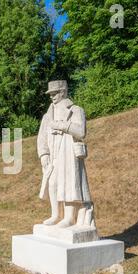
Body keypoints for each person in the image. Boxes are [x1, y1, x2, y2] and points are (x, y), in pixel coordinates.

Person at [37, 80, 95, 228]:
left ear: (63, 92)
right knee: (53, 183)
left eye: (54, 93)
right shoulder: (47, 115)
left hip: (68, 150)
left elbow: (81, 132)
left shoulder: (76, 110)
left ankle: (69, 218)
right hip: (53, 152)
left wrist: (62, 125)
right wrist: (44, 154)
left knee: (69, 183)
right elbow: (41, 137)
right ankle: (55, 215)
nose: (52, 96)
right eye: (50, 94)